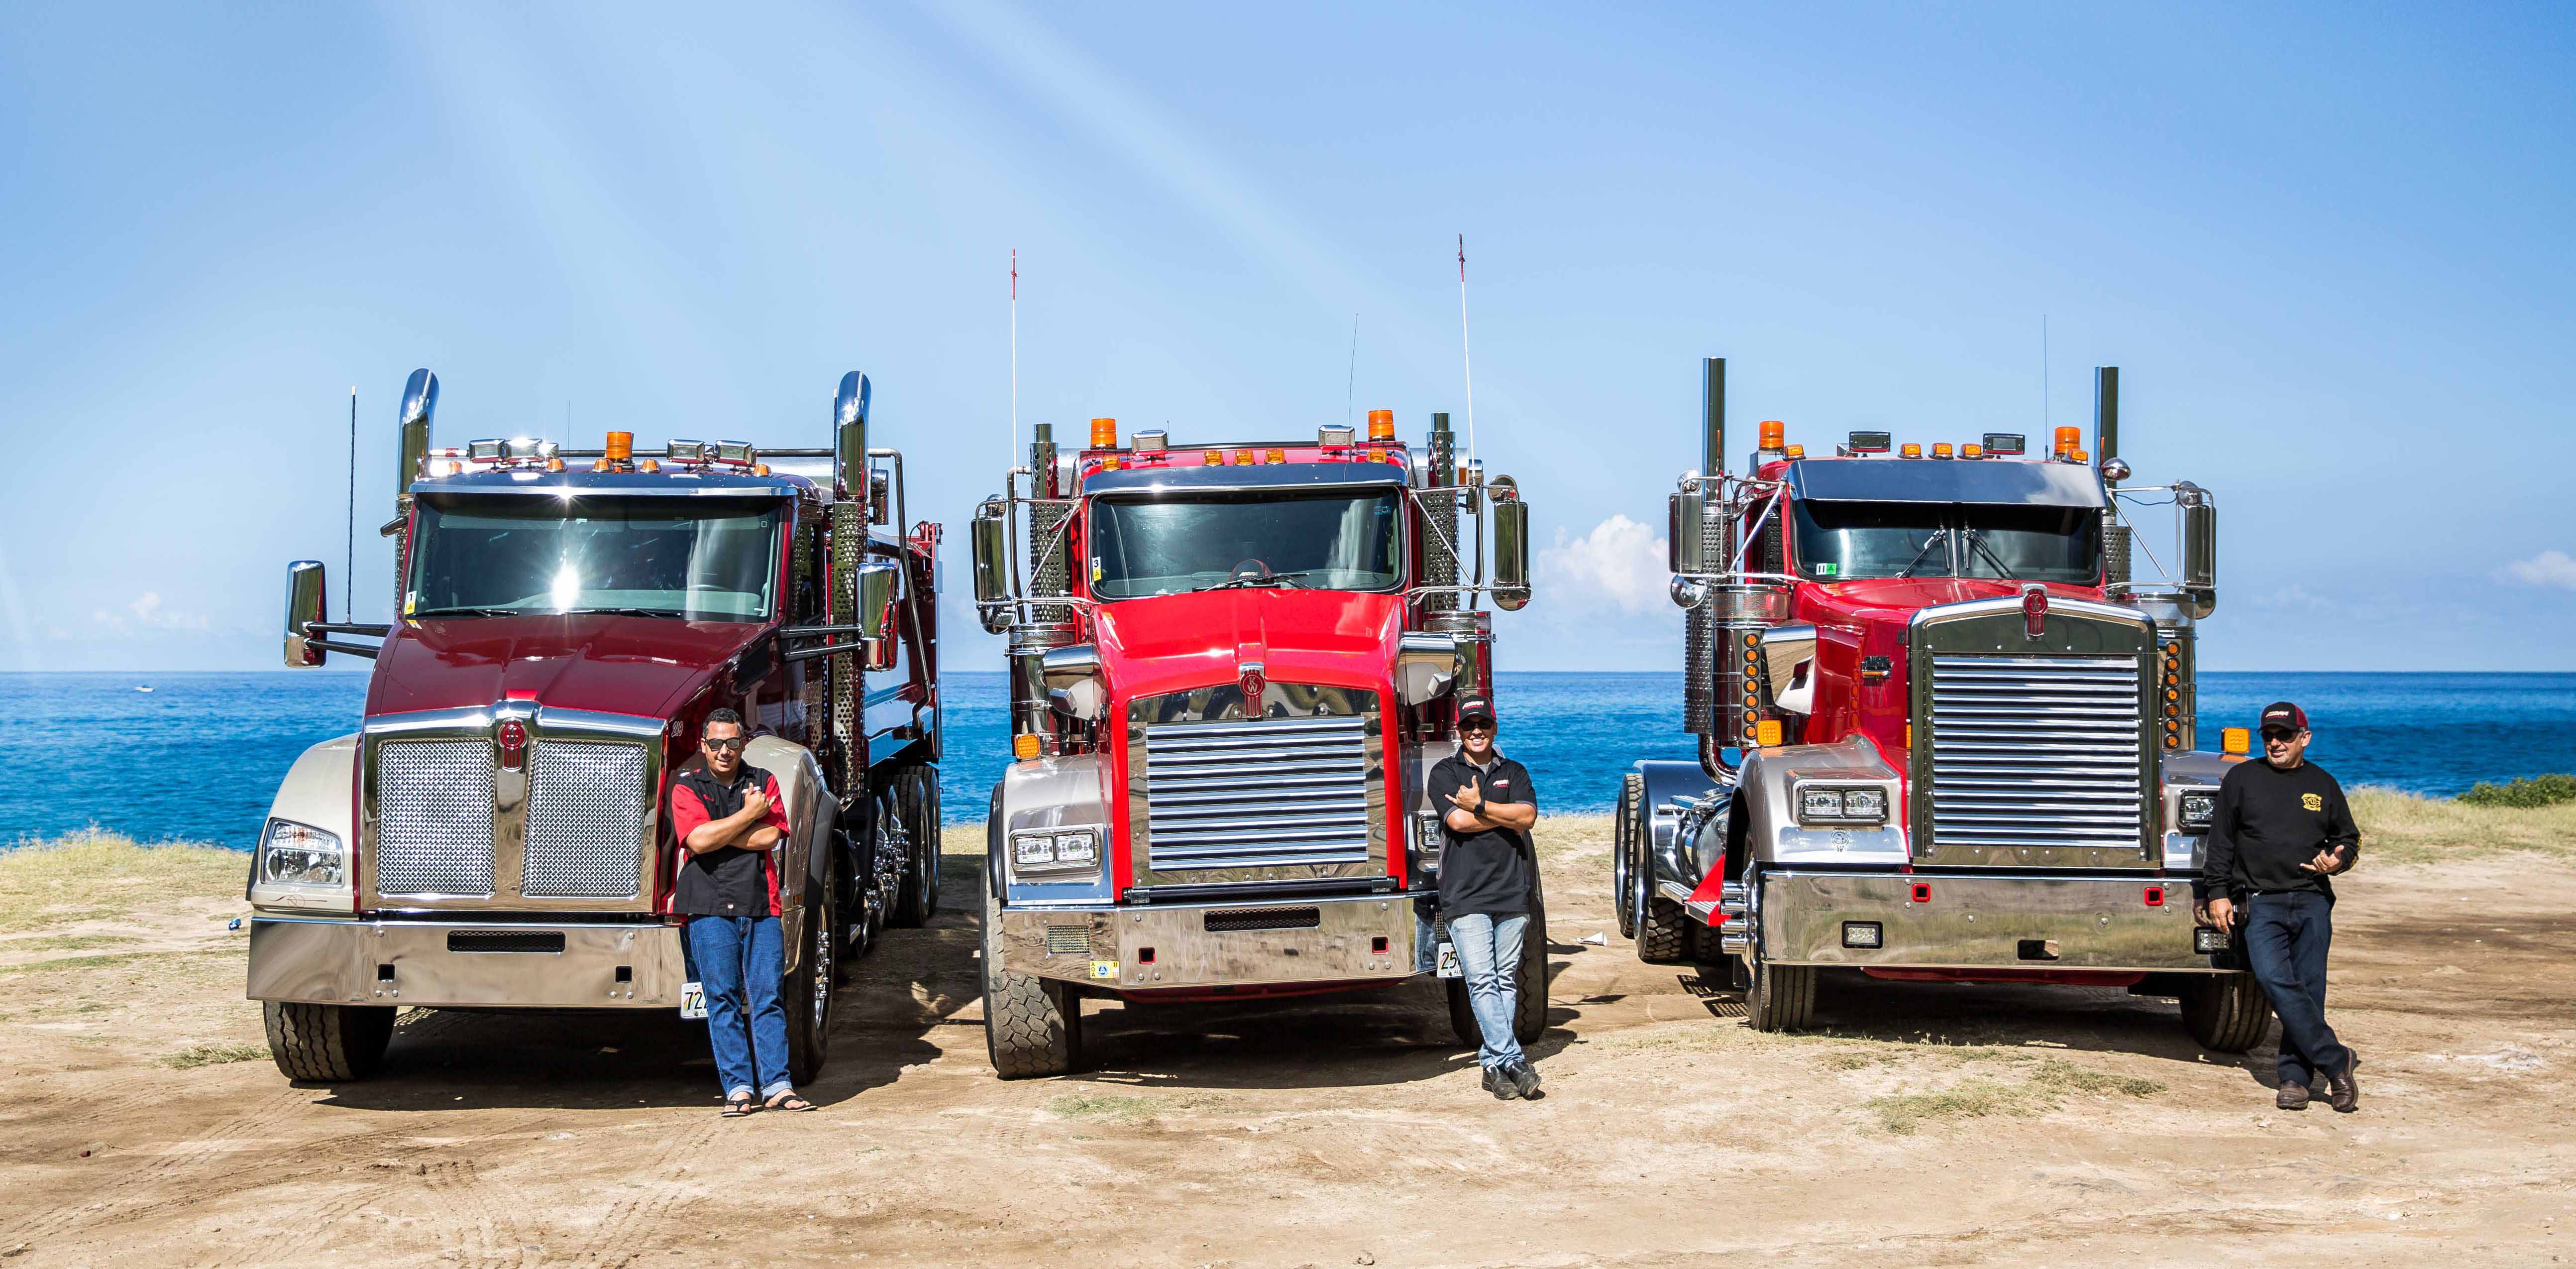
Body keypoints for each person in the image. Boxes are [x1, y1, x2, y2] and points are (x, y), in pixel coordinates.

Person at [2196, 701, 2362, 1113]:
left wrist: (2338, 859)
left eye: (2284, 735)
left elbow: (2348, 839)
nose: (2275, 743)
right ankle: (2336, 1060)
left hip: (2312, 900)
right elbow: (2220, 842)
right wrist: (2217, 892)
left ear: (2304, 738)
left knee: (2309, 987)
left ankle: (2294, 1078)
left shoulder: (2324, 784)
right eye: (2268, 735)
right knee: (2272, 978)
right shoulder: (2242, 778)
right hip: (2261, 900)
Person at [669, 708, 813, 1117]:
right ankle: (738, 1089)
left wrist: (720, 832)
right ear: (703, 745)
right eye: (716, 743)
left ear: (743, 743)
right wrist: (749, 815)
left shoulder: (764, 780)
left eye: (732, 742)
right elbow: (696, 840)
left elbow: (772, 835)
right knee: (723, 998)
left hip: (761, 904)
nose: (724, 751)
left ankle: (778, 1086)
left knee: (769, 996)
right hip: (707, 906)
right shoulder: (686, 786)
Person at [1428, 695, 1542, 1100]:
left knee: (1505, 978)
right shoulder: (1444, 772)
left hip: (1512, 891)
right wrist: (1504, 815)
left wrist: (1479, 804)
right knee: (1481, 979)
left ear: (1495, 727)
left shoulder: (1515, 771)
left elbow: (1528, 817)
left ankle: (1493, 1066)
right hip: (1465, 895)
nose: (1476, 731)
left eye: (1483, 724)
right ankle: (1512, 1059)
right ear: (1458, 731)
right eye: (1468, 725)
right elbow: (1458, 822)